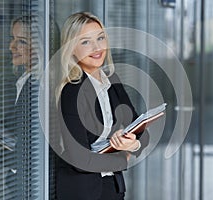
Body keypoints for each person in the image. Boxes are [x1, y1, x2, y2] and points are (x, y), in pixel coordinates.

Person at [54, 12, 149, 200]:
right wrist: (123, 157)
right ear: (71, 48)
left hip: (112, 187)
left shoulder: (112, 80)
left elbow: (141, 129)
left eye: (100, 38)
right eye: (85, 42)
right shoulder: (71, 91)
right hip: (83, 192)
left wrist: (133, 143)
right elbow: (79, 160)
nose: (97, 47)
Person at [0, 14, 42, 198]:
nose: (12, 46)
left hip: (32, 182)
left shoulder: (41, 86)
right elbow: (15, 131)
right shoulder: (18, 81)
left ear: (40, 46)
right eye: (12, 38)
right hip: (18, 180)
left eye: (21, 42)